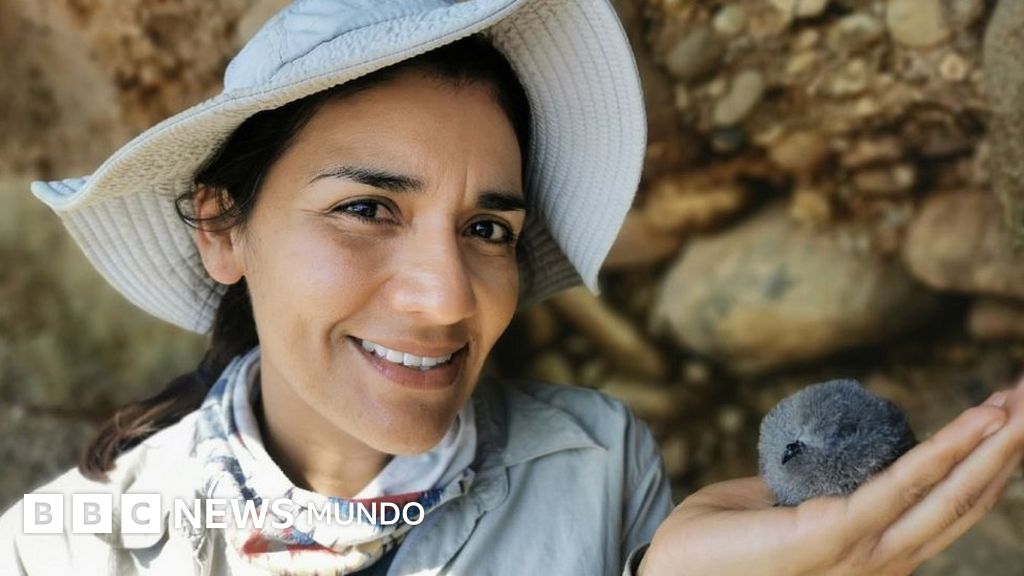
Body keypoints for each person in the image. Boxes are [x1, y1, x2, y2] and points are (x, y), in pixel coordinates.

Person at [1, 1, 1023, 575]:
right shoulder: (65, 557)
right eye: (367, 207)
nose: (448, 297)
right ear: (222, 228)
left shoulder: (596, 459)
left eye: (487, 227)